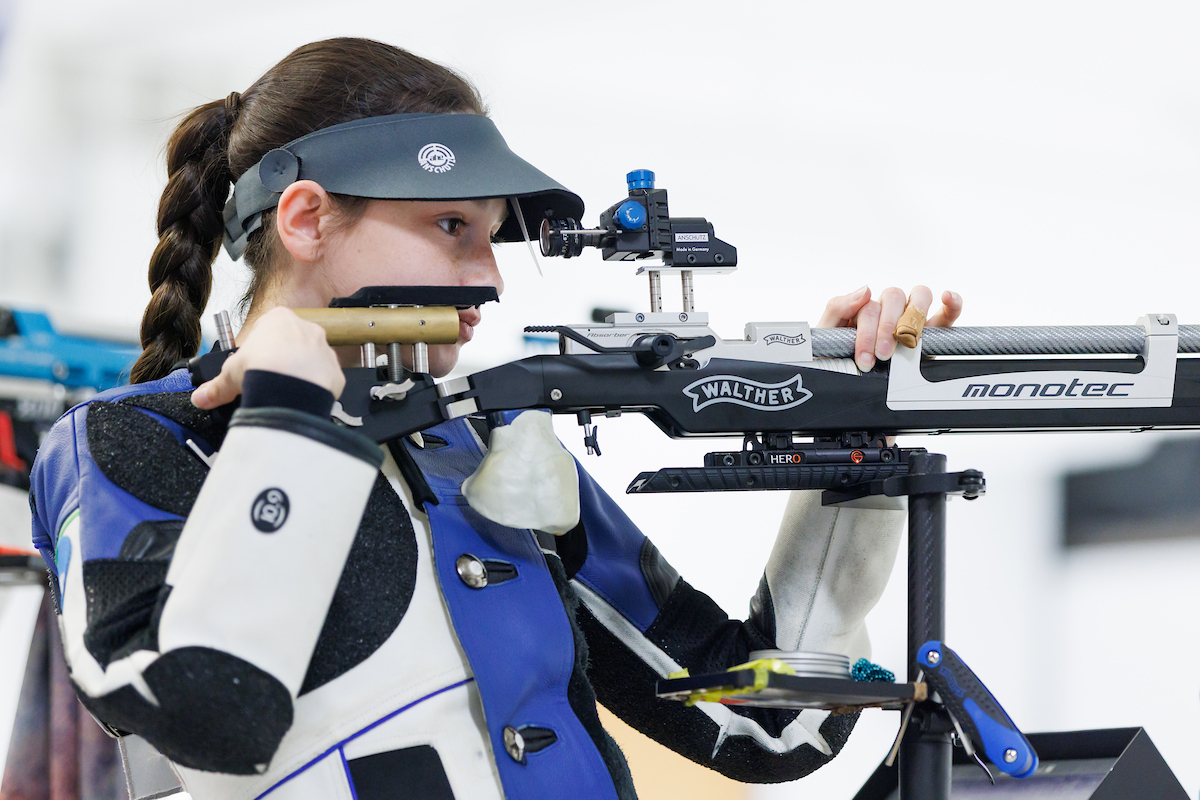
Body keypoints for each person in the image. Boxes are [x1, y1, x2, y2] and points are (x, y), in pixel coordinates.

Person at [28, 38, 963, 800]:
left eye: (493, 234)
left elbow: (767, 724)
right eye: (453, 228)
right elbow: (209, 716)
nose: (489, 277)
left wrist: (850, 435)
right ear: (306, 219)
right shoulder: (136, 439)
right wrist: (295, 420)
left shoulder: (487, 440)